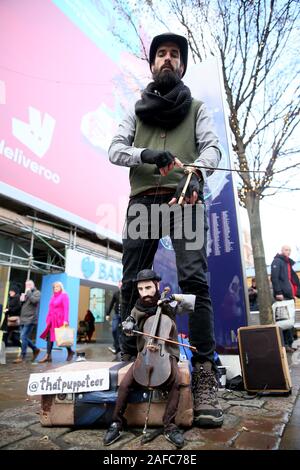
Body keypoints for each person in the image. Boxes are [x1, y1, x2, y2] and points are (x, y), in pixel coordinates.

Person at [108, 32, 223, 426]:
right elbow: (114, 149)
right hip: (143, 201)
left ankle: (205, 373)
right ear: (153, 64)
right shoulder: (135, 112)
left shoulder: (197, 108)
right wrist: (145, 154)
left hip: (184, 200)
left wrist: (197, 171)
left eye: (175, 54)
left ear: (182, 64)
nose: (168, 59)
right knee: (129, 282)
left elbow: (212, 149)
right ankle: (126, 360)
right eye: (161, 54)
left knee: (196, 280)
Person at [104, 269, 197, 448]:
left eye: (148, 287)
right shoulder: (138, 307)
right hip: (144, 354)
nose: (145, 293)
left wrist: (174, 298)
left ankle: (169, 426)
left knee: (176, 382)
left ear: (157, 285)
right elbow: (129, 321)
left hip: (166, 353)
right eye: (141, 289)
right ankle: (117, 422)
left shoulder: (168, 304)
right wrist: (128, 325)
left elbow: (191, 303)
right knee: (125, 384)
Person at [271, 245, 300, 353]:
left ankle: (290, 343)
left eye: (289, 250)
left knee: (289, 320)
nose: (288, 252)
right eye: (286, 250)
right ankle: (284, 345)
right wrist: (278, 292)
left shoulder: (287, 263)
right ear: (281, 250)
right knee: (283, 321)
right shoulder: (277, 261)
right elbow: (274, 277)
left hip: (289, 296)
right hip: (282, 296)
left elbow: (292, 279)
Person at [39, 281, 75, 362]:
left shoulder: (64, 296)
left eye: (57, 287)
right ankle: (48, 355)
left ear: (61, 287)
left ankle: (70, 351)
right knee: (49, 337)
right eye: (54, 287)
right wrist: (48, 319)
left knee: (63, 337)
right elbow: (50, 308)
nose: (56, 288)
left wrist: (66, 320)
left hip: (60, 319)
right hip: (52, 319)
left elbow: (66, 308)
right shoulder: (52, 297)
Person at [13, 280, 41, 364]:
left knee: (23, 336)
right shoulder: (26, 293)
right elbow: (22, 306)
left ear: (33, 285)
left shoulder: (37, 292)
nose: (27, 286)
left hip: (30, 319)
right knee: (23, 337)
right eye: (26, 285)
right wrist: (21, 300)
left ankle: (22, 356)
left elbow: (34, 301)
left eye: (29, 285)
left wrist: (28, 292)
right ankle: (35, 349)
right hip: (23, 319)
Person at [2, 283, 22, 348]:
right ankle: (4, 347)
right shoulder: (10, 298)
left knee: (12, 336)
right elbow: (8, 307)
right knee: (7, 335)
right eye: (10, 291)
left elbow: (17, 309)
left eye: (11, 291)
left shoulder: (17, 299)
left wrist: (8, 310)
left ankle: (22, 347)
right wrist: (6, 310)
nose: (10, 292)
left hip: (13, 320)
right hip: (9, 319)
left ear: (15, 292)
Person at [105, 281, 122, 354]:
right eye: (119, 284)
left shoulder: (126, 294)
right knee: (114, 329)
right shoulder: (116, 294)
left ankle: (122, 348)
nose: (120, 285)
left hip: (124, 315)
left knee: (123, 332)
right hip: (117, 315)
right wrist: (107, 314)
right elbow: (111, 303)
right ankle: (116, 347)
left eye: (121, 283)